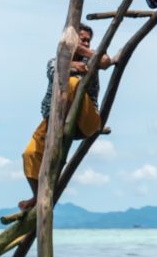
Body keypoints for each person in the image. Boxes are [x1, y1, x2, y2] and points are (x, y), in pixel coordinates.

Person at [18, 25, 113, 211]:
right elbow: (55, 72)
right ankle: (38, 197)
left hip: (86, 119)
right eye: (81, 39)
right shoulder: (54, 61)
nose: (85, 42)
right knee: (30, 154)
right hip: (55, 119)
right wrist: (70, 65)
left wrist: (82, 51)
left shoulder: (91, 58)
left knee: (72, 82)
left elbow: (105, 61)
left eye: (88, 40)